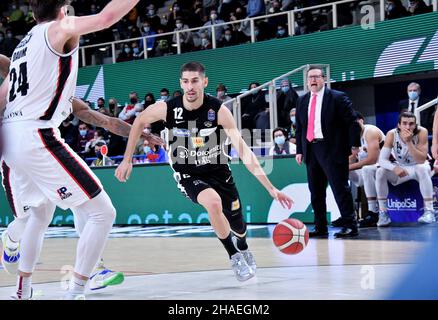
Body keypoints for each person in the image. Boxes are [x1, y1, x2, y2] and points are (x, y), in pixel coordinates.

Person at [0, 0, 143, 300]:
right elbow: (107, 17)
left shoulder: (22, 48)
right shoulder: (59, 28)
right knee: (103, 213)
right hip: (35, 134)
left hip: (10, 137)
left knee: (39, 214)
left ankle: (21, 291)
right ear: (64, 10)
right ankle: (77, 290)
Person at [115, 61, 293, 282]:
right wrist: (127, 158)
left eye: (195, 81)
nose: (190, 86)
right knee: (213, 203)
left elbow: (244, 151)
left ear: (204, 82)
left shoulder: (218, 110)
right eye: (186, 81)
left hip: (219, 171)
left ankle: (244, 247)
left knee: (238, 224)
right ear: (181, 83)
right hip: (188, 174)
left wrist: (271, 188)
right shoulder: (167, 108)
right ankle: (234, 255)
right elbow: (139, 121)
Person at [295, 66, 361, 238]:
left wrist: (354, 145)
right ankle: (320, 227)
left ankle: (350, 225)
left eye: (317, 76)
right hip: (311, 149)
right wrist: (299, 150)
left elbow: (352, 122)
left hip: (332, 149)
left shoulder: (337, 97)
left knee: (340, 188)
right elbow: (300, 128)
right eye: (310, 77)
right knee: (316, 191)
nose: (313, 80)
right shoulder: (302, 100)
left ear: (324, 78)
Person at [375, 112, 435, 227]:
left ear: (415, 125)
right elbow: (382, 160)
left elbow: (421, 160)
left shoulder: (422, 132)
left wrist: (409, 142)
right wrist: (394, 167)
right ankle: (383, 214)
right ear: (399, 125)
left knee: (422, 168)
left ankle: (429, 211)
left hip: (418, 168)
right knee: (380, 171)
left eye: (411, 124)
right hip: (401, 167)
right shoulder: (391, 134)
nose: (408, 127)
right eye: (405, 123)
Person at [346, 111, 385, 228]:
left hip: (385, 166)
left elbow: (373, 159)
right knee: (338, 171)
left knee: (366, 169)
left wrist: (349, 166)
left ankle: (373, 212)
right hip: (370, 172)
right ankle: (348, 213)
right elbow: (352, 158)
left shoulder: (370, 132)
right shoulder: (353, 136)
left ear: (361, 120)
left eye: (354, 122)